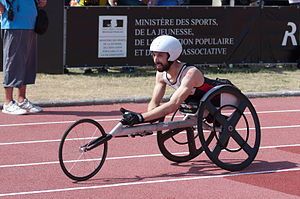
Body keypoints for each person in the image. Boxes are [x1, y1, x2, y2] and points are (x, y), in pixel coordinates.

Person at [121, 35, 232, 126]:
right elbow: (155, 102)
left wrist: (140, 117)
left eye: (160, 55)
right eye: (154, 55)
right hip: (197, 101)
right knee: (191, 105)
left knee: (189, 104)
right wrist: (148, 120)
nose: (155, 60)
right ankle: (215, 119)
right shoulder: (161, 74)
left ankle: (219, 120)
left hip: (222, 94)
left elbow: (173, 104)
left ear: (172, 55)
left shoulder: (190, 73)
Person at [0, 0, 46, 115]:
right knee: (12, 62)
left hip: (31, 22)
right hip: (13, 22)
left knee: (26, 63)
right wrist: (1, 8)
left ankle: (21, 100)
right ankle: (8, 102)